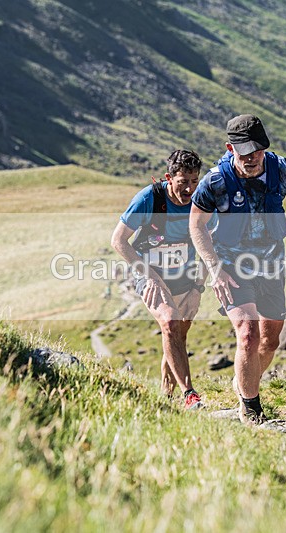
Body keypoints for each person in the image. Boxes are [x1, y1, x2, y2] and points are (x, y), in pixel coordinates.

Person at [189, 115, 286, 425]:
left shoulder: (282, 169)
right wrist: (214, 268)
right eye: (244, 152)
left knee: (269, 341)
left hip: (272, 265)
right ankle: (250, 409)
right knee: (247, 333)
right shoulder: (215, 181)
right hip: (232, 266)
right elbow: (196, 223)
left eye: (257, 151)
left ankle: (244, 381)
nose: (251, 158)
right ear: (229, 148)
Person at [111, 149, 207, 410]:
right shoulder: (149, 198)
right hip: (151, 276)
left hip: (186, 278)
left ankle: (166, 397)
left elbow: (210, 246)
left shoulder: (201, 201)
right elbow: (119, 241)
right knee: (170, 322)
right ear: (168, 178)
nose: (189, 189)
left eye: (194, 181)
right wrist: (149, 275)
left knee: (177, 334)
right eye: (183, 182)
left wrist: (199, 287)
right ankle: (190, 394)